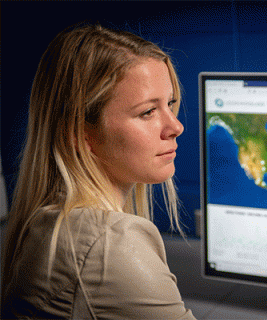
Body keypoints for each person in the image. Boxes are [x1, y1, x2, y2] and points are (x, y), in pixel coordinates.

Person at [1, 23, 196, 319]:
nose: (175, 127)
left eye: (169, 104)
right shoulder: (109, 246)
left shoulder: (55, 223)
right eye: (147, 112)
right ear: (81, 135)